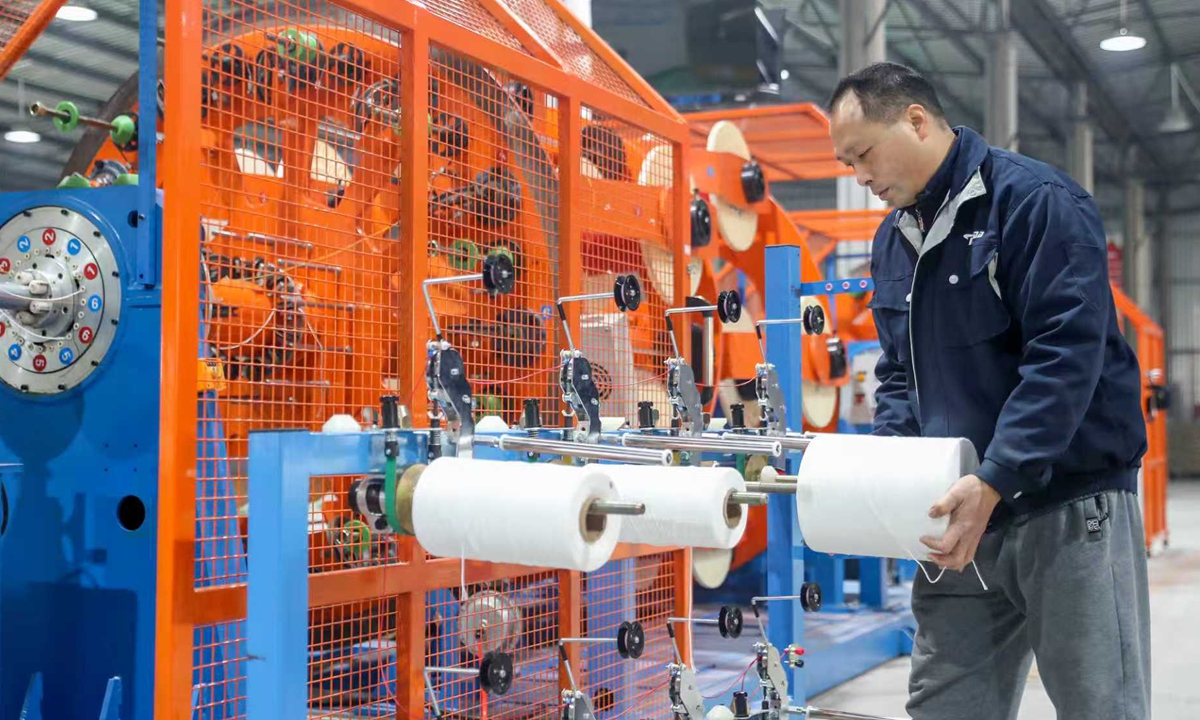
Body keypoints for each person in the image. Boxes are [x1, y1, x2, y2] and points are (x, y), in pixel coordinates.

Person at [825, 61, 1151, 720]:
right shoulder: (892, 241)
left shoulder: (1034, 203)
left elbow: (1066, 355)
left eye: (862, 154)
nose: (859, 177)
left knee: (1100, 704)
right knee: (947, 705)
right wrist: (897, 471)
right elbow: (897, 371)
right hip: (955, 516)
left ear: (915, 120)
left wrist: (998, 476)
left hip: (1067, 502)